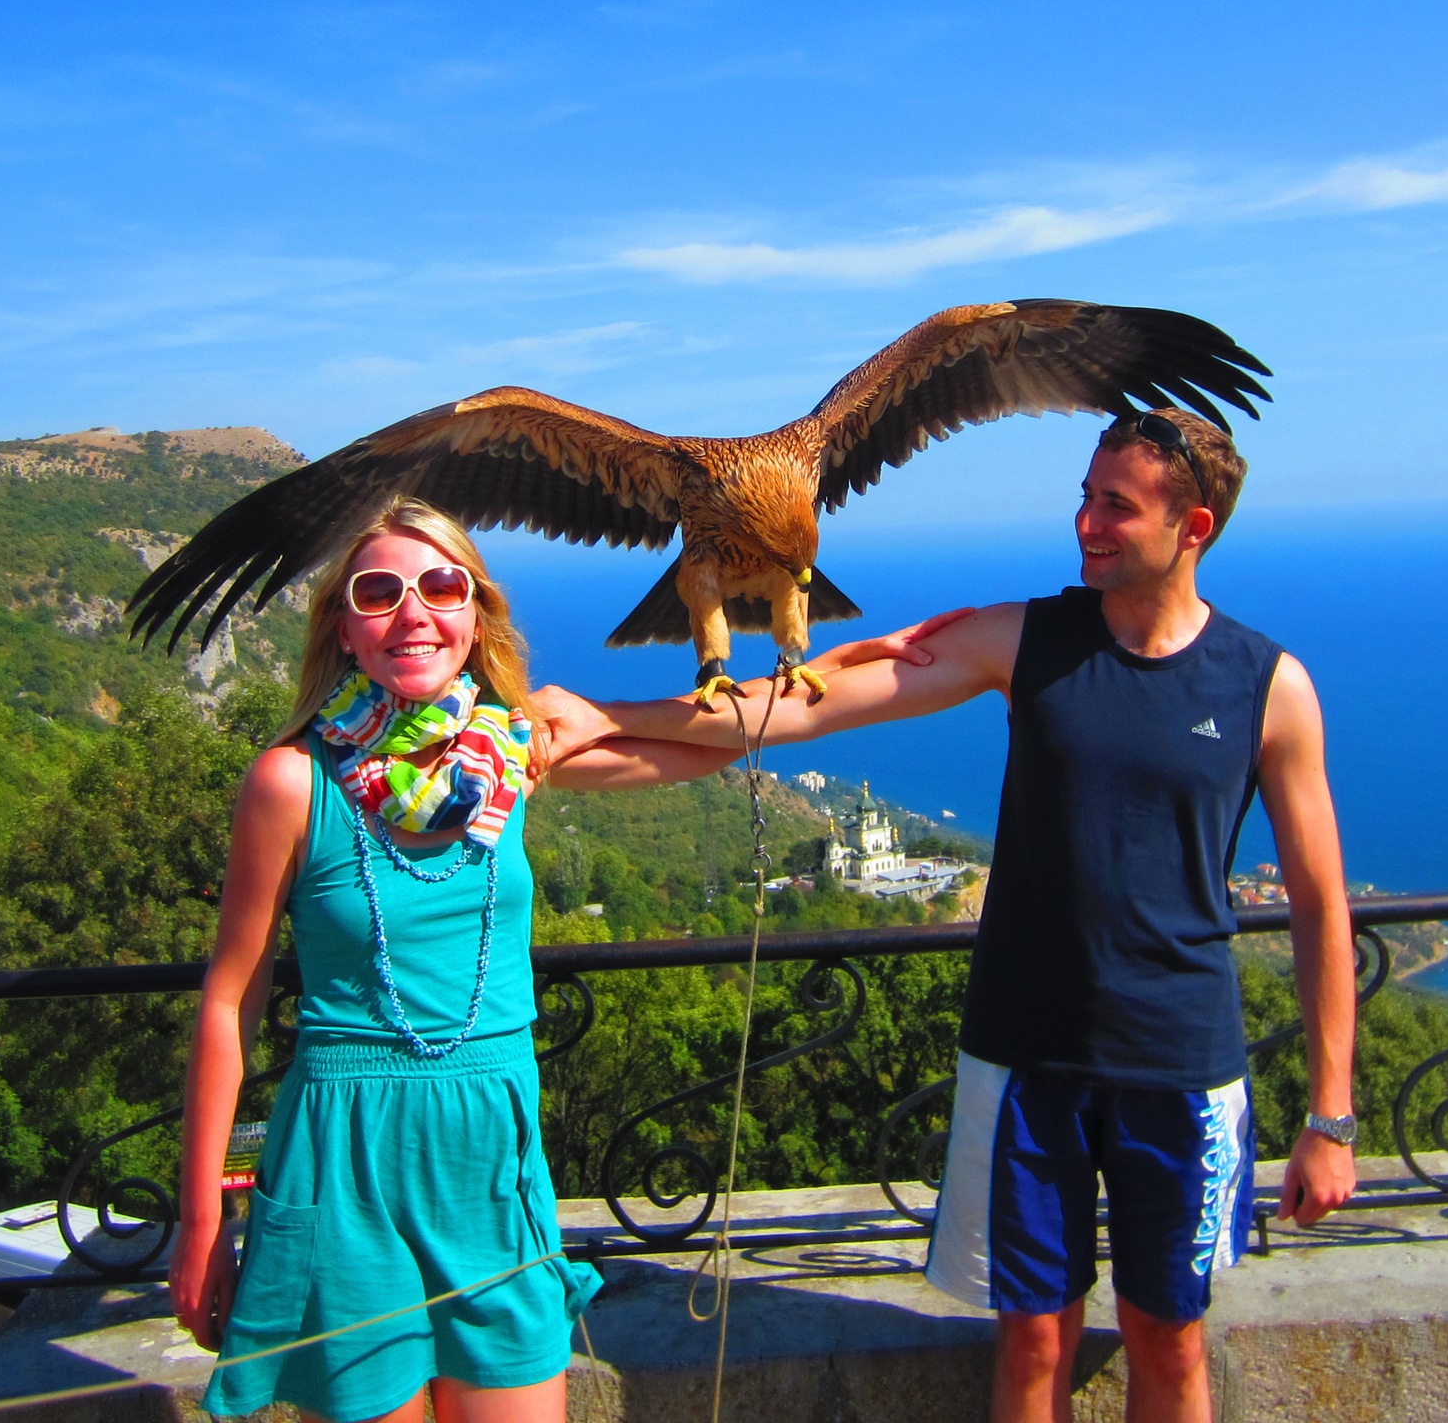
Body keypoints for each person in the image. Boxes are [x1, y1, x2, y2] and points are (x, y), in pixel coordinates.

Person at [531, 410, 1359, 1423]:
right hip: (1024, 1058)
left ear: (1193, 528)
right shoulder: (1024, 639)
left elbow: (1320, 905)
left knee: (1170, 1341)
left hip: (1181, 1062)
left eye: (1115, 506)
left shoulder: (1268, 685)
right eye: (1084, 497)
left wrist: (1330, 1118)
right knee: (1031, 1341)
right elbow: (800, 707)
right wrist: (606, 717)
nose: (1085, 522)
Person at [170, 496, 773, 1423]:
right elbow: (231, 1000)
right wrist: (203, 1217)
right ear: (344, 627)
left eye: (442, 587)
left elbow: (716, 744)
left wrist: (601, 714)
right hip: (346, 1165)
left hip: (491, 1164)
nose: (412, 612)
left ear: (476, 616)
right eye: (379, 593)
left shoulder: (508, 758)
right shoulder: (292, 781)